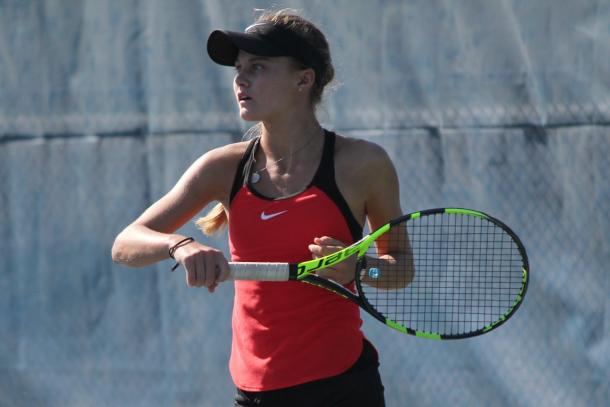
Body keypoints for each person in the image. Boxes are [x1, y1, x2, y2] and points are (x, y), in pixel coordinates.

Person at [112, 9, 402, 407]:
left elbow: (400, 266)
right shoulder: (222, 167)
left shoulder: (363, 164)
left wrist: (359, 268)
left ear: (304, 79)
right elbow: (125, 243)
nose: (240, 80)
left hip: (343, 386)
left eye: (259, 67)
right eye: (239, 68)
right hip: (253, 393)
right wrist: (180, 245)